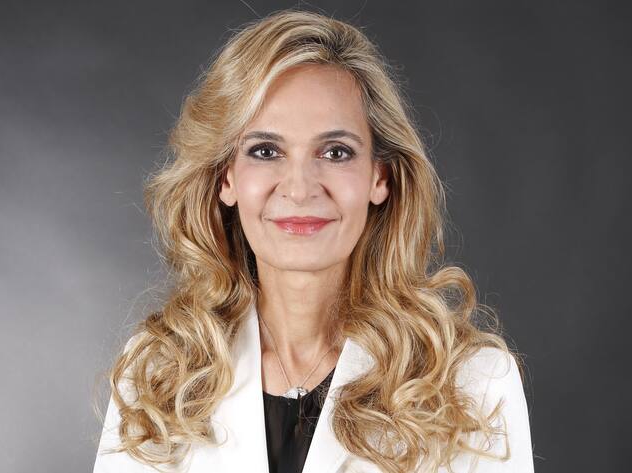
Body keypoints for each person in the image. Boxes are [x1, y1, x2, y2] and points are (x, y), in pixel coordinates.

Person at [93, 8, 534, 473]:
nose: (300, 189)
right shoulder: (157, 376)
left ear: (379, 177)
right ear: (226, 178)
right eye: (266, 151)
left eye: (335, 152)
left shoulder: (473, 386)